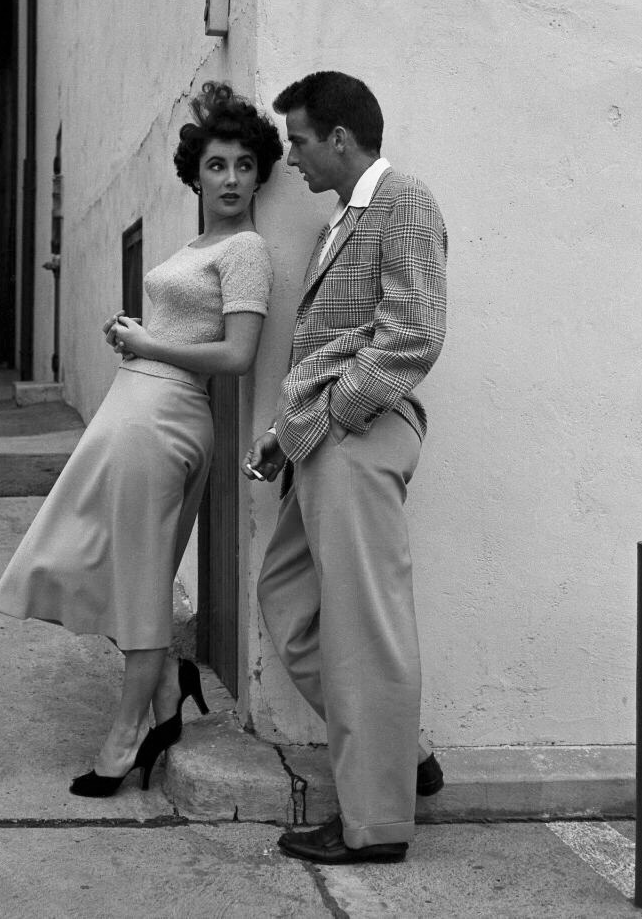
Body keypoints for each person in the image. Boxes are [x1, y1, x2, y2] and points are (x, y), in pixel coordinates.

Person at [0, 82, 283, 797]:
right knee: (98, 558)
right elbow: (178, 332)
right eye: (218, 166)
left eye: (246, 166)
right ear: (195, 173)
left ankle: (125, 741)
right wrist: (137, 337)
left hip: (169, 419)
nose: (233, 180)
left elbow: (237, 356)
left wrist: (150, 342)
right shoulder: (198, 245)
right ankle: (165, 692)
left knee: (141, 579)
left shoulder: (245, 250)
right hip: (134, 408)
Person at [243, 70, 447, 864]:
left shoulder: (404, 200)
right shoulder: (342, 219)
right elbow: (331, 346)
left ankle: (375, 824)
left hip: (360, 438)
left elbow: (413, 333)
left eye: (296, 140)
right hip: (324, 440)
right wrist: (286, 432)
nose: (289, 158)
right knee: (287, 600)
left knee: (365, 633)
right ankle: (403, 756)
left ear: (338, 137)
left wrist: (328, 415)